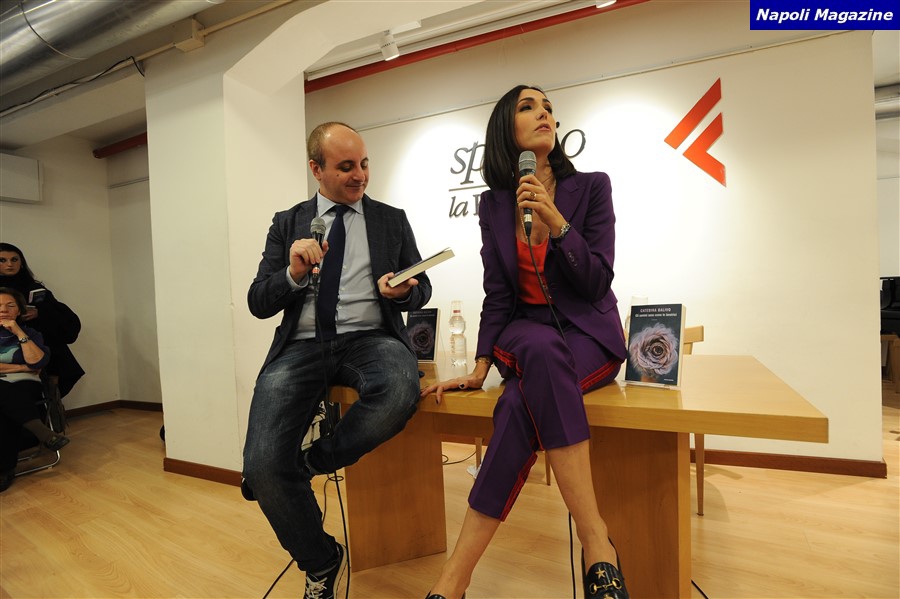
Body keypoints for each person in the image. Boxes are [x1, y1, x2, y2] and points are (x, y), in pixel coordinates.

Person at [421, 85, 630, 599]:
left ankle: (453, 580)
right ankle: (597, 542)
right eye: (528, 107)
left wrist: (558, 225)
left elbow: (597, 282)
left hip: (587, 334)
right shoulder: (493, 205)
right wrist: (480, 365)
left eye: (549, 107)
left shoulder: (592, 187)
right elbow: (498, 292)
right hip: (525, 329)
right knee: (537, 347)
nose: (544, 114)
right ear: (505, 128)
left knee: (517, 405)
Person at [242, 122, 432, 599]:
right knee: (262, 470)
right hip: (302, 346)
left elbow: (422, 285)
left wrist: (405, 291)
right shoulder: (288, 223)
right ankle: (321, 560)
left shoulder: (391, 219)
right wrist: (292, 273)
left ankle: (312, 461)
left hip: (372, 338)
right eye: (346, 166)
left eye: (364, 163)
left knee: (399, 391)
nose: (360, 175)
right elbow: (258, 301)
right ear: (316, 169)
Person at [0, 287, 70, 493]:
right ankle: (43, 433)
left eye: (10, 305)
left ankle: (4, 470)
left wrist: (19, 332)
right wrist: (22, 367)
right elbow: (31, 366)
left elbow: (38, 362)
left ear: (19, 310)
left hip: (24, 385)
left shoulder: (32, 334)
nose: (3, 310)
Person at [0, 243, 84, 398]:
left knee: (54, 346)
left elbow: (60, 313)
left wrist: (40, 312)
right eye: (2, 260)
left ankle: (52, 398)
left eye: (14, 259)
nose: (10, 264)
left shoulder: (33, 287)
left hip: (36, 336)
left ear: (21, 262)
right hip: (5, 339)